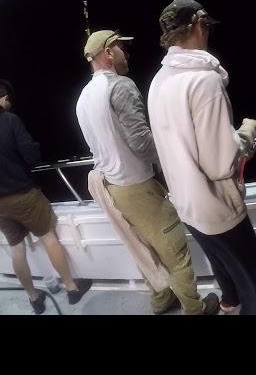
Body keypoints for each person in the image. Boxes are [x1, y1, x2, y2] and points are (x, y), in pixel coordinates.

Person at [75, 30, 219, 315]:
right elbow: (142, 142)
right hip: (138, 187)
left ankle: (161, 299)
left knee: (143, 248)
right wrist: (178, 156)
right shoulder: (121, 86)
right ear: (108, 53)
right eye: (122, 48)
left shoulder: (83, 96)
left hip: (111, 187)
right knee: (174, 251)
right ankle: (195, 308)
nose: (126, 54)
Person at [148, 0, 256, 314]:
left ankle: (229, 304)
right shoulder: (206, 82)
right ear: (200, 25)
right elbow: (220, 162)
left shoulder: (159, 81)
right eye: (207, 28)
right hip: (217, 208)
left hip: (186, 205)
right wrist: (246, 134)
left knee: (222, 266)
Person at [0, 80, 92, 314]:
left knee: (16, 249)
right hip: (24, 195)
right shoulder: (9, 120)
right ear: (1, 98)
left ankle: (33, 298)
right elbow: (31, 155)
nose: (8, 104)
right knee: (48, 238)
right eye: (7, 99)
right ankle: (71, 288)